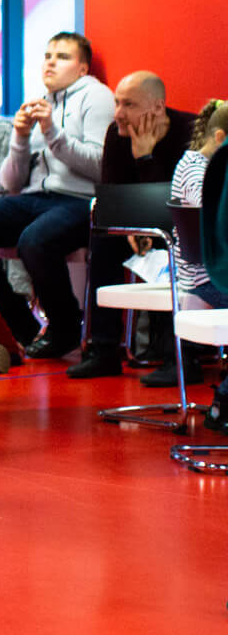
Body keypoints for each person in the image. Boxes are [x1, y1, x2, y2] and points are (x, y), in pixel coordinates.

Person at [0, 33, 115, 360]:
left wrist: (51, 132)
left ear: (82, 69)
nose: (51, 62)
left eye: (62, 57)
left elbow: (100, 166)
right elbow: (10, 184)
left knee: (34, 240)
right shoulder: (41, 100)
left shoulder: (97, 98)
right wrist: (20, 138)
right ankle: (19, 323)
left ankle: (65, 326)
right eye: (48, 55)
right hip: (37, 198)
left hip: (82, 200)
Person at [68, 71, 197, 379]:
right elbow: (113, 194)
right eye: (117, 103)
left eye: (128, 105)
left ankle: (180, 357)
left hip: (184, 225)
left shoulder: (189, 132)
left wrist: (145, 157)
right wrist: (130, 229)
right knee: (104, 240)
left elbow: (181, 198)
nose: (118, 114)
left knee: (175, 245)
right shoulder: (116, 134)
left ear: (157, 107)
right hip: (137, 221)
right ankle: (104, 349)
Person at [175, 102, 228, 430]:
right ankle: (224, 402)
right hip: (206, 281)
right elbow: (211, 217)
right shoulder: (197, 169)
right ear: (220, 138)